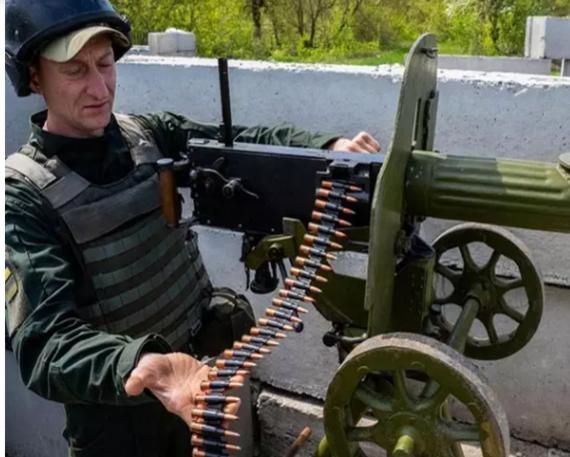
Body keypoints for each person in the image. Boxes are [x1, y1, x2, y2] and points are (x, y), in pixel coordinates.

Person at [4, 1, 381, 456]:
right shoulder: (22, 196)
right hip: (121, 424)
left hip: (201, 384)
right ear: (34, 77)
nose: (100, 88)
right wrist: (142, 364)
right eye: (75, 70)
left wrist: (326, 149)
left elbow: (238, 144)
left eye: (105, 64)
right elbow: (44, 344)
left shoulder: (147, 136)